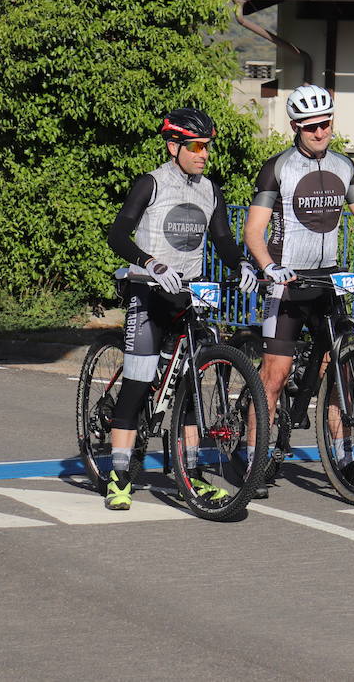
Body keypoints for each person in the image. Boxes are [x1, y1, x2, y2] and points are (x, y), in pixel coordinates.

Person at [244, 84, 354, 498]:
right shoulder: (277, 168)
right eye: (312, 126)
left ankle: (343, 458)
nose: (321, 132)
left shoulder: (343, 166)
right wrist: (270, 268)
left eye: (326, 123)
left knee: (339, 372)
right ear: (296, 126)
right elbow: (254, 231)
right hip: (287, 279)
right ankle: (253, 460)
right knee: (274, 377)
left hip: (328, 278)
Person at [102, 107, 258, 511]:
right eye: (196, 147)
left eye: (207, 147)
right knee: (137, 384)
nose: (204, 154)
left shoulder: (210, 189)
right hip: (149, 291)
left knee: (189, 389)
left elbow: (222, 238)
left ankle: (191, 476)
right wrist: (151, 263)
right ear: (174, 146)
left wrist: (240, 263)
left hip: (188, 294)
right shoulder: (151, 183)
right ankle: (119, 477)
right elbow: (117, 234)